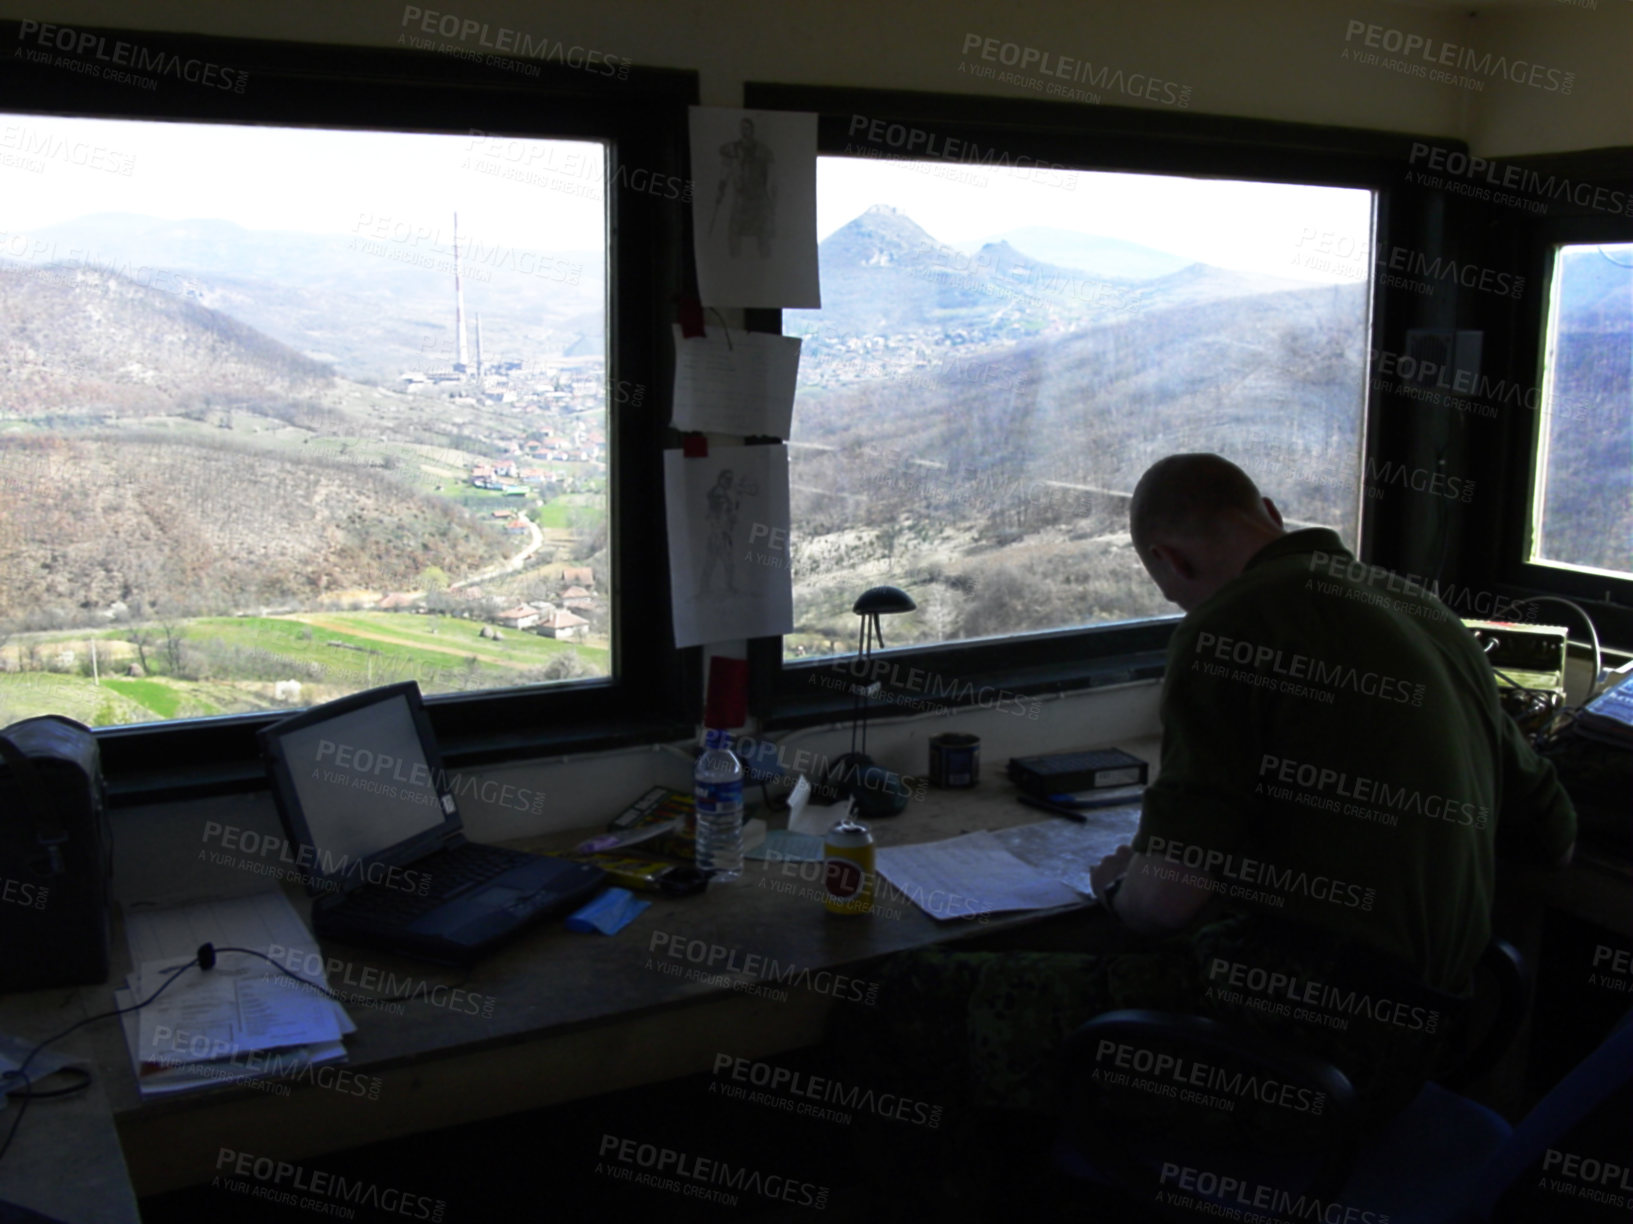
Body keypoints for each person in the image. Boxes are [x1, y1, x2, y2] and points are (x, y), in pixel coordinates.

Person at [826, 453, 1576, 1207]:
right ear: (1272, 514)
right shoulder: (1422, 611)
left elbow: (1164, 906)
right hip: (1419, 1045)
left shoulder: (1230, 627)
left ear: (1169, 558)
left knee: (905, 999)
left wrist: (1122, 884)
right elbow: (1551, 834)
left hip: (1288, 1054)